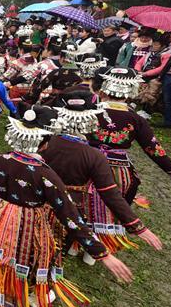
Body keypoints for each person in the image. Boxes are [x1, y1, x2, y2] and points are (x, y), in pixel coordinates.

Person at [0, 105, 134, 307]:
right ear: (44, 144)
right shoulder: (46, 176)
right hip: (23, 224)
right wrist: (101, 254)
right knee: (16, 266)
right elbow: (71, 217)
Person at [44, 88, 163, 263]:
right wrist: (137, 226)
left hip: (39, 203)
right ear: (92, 119)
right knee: (56, 248)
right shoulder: (93, 156)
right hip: (70, 209)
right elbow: (110, 193)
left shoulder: (45, 142)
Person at [90, 68, 171, 207]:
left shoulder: (89, 113)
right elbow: (152, 147)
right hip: (118, 171)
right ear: (132, 91)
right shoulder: (136, 119)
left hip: (87, 163)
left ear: (103, 88)